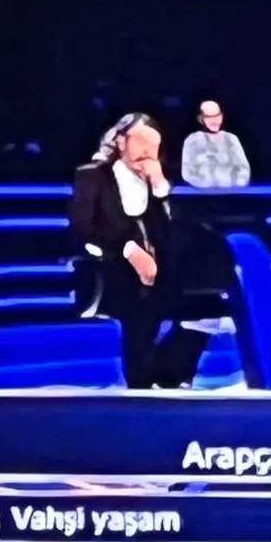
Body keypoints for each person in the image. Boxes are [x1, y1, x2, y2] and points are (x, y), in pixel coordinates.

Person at [69, 113, 212, 389]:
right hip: (110, 264)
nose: (147, 152)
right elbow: (82, 228)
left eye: (153, 146)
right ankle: (142, 382)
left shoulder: (159, 182)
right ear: (121, 142)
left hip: (161, 269)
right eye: (141, 142)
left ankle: (169, 374)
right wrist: (127, 249)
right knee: (140, 310)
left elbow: (178, 230)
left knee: (205, 306)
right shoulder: (93, 176)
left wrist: (161, 190)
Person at [181, 100, 251, 188]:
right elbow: (187, 173)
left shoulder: (231, 139)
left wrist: (235, 187)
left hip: (231, 192)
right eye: (209, 117)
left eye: (217, 116)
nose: (214, 121)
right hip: (202, 193)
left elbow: (243, 169)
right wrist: (206, 188)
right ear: (200, 119)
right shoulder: (192, 141)